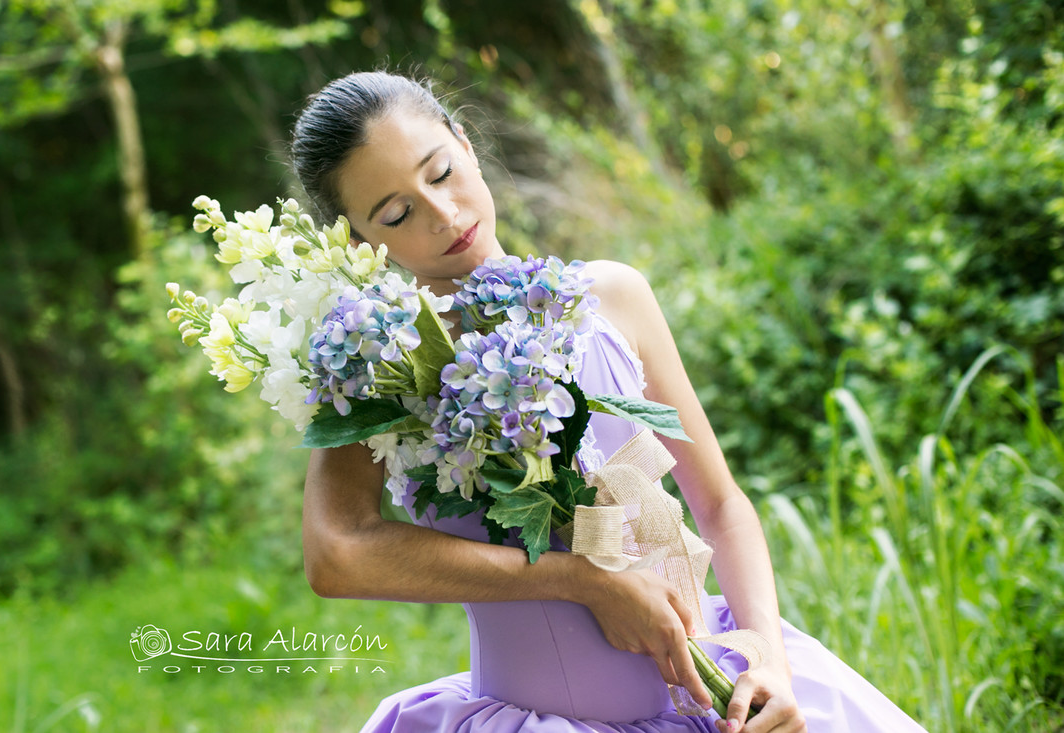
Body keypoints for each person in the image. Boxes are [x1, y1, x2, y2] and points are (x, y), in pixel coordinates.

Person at [291, 70, 927, 733]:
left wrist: (767, 657)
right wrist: (577, 579)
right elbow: (337, 552)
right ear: (361, 242)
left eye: (442, 171)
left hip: (726, 695)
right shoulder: (379, 360)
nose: (444, 214)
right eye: (397, 214)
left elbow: (719, 502)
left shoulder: (612, 297)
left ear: (466, 144)